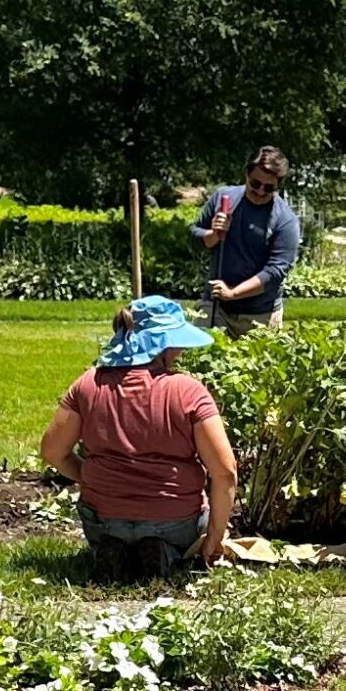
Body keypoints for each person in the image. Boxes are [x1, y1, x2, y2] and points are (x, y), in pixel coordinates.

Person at [38, 294, 239, 580]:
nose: (181, 348)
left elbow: (52, 451)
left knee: (112, 529)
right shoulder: (188, 391)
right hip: (174, 520)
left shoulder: (89, 384)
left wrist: (93, 478)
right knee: (194, 522)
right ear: (162, 345)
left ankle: (111, 547)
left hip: (104, 517)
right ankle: (163, 550)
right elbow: (225, 472)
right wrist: (214, 538)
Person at [189, 145, 301, 335]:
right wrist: (214, 234)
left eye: (269, 188)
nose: (260, 191)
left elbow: (275, 272)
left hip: (260, 315)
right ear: (246, 175)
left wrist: (233, 293)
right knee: (199, 357)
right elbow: (193, 238)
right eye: (255, 184)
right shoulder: (222, 198)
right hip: (215, 307)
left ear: (278, 186)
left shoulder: (285, 220)